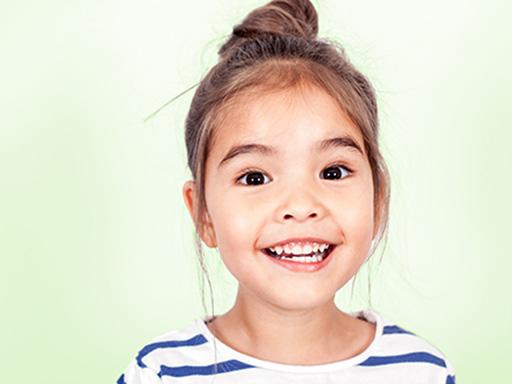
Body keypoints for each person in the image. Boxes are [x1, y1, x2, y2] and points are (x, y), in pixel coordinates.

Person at [117, 0, 456, 382]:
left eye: (333, 171)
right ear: (204, 215)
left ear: (378, 198)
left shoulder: (420, 370)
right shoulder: (162, 372)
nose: (300, 206)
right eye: (255, 178)